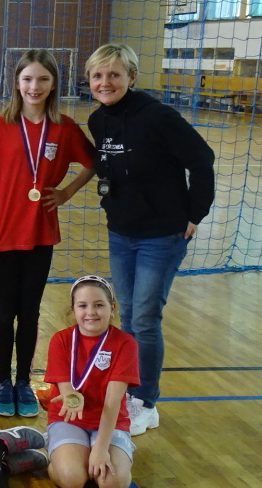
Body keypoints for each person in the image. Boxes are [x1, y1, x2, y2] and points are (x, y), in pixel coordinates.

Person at [86, 43, 215, 436]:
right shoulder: (97, 120)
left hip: (162, 234)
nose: (105, 82)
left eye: (114, 74)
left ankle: (145, 402)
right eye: (97, 75)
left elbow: (202, 159)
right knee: (127, 315)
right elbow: (107, 170)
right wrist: (110, 205)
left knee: (144, 319)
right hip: (121, 233)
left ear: (131, 77)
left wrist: (195, 213)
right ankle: (129, 391)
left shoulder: (158, 117)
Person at [0, 49, 96, 418]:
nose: (35, 86)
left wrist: (66, 192)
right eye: (28, 79)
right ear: (17, 83)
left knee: (29, 313)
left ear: (54, 84)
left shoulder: (64, 127)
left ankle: (24, 382)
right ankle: (3, 381)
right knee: (4, 312)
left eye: (43, 79)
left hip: (41, 234)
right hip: (4, 233)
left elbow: (93, 163)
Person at [44, 276, 139, 488]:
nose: (91, 312)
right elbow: (66, 389)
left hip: (111, 422)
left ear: (112, 308)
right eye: (82, 306)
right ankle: (51, 455)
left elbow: (112, 403)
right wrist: (72, 399)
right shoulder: (61, 340)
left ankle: (110, 451)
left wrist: (101, 449)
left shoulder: (126, 344)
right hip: (69, 419)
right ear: (73, 310)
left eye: (98, 305)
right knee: (72, 481)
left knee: (112, 485)